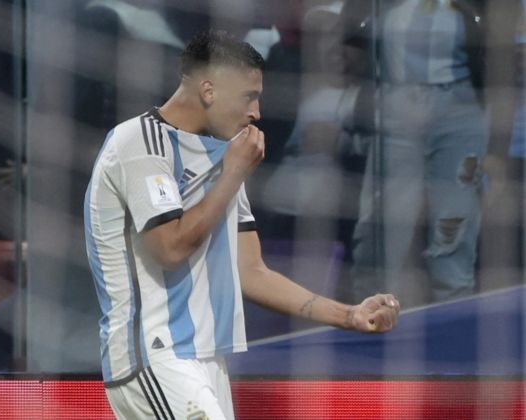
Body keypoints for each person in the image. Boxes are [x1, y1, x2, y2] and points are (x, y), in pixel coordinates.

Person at [84, 30, 400, 420]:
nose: (257, 112)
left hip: (207, 359)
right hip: (155, 356)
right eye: (248, 96)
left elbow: (251, 272)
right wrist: (232, 174)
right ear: (209, 90)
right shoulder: (139, 143)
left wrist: (348, 315)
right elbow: (169, 249)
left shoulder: (223, 157)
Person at [346, 0, 490, 306]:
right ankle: (371, 313)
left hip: (459, 107)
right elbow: (351, 39)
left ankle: (454, 312)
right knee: (385, 225)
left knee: (454, 223)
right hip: (396, 102)